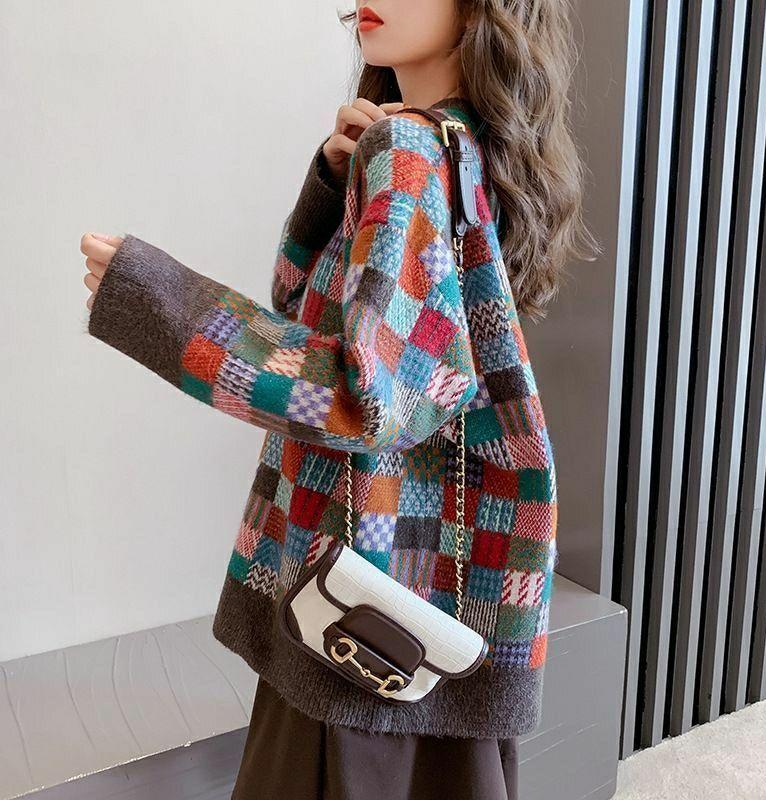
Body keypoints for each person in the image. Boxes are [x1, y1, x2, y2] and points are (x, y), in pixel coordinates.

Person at [80, 1, 593, 797]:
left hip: (361, 604)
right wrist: (334, 184)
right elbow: (310, 312)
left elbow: (366, 394)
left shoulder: (412, 148)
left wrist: (159, 302)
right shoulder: (461, 146)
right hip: (433, 591)